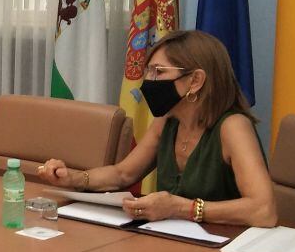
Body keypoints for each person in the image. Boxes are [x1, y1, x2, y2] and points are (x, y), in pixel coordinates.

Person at [37, 30, 277, 227]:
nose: (149, 81)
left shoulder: (233, 127)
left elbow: (263, 210)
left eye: (159, 72)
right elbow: (123, 174)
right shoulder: (167, 120)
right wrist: (74, 178)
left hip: (226, 249)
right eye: (149, 71)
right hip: (174, 244)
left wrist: (182, 208)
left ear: (195, 80)